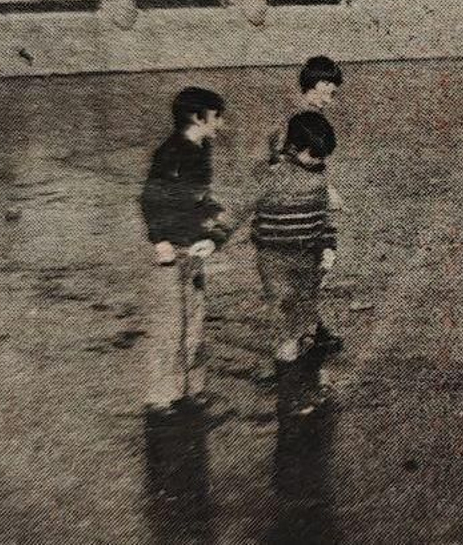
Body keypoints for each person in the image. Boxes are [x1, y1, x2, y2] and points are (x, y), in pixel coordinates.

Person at [140, 86, 230, 414]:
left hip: (194, 249)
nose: (221, 123)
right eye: (216, 116)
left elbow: (199, 197)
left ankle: (191, 388)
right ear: (197, 117)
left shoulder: (202, 149)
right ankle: (161, 396)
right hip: (172, 251)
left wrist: (215, 213)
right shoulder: (171, 152)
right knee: (169, 324)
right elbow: (150, 198)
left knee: (194, 321)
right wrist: (159, 240)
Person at [251, 111, 342, 381]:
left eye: (323, 157)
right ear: (294, 149)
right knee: (282, 311)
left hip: (308, 255)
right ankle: (287, 373)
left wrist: (328, 246)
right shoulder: (271, 175)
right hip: (273, 256)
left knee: (304, 309)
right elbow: (246, 196)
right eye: (314, 155)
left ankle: (302, 357)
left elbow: (324, 218)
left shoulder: (318, 179)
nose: (320, 161)